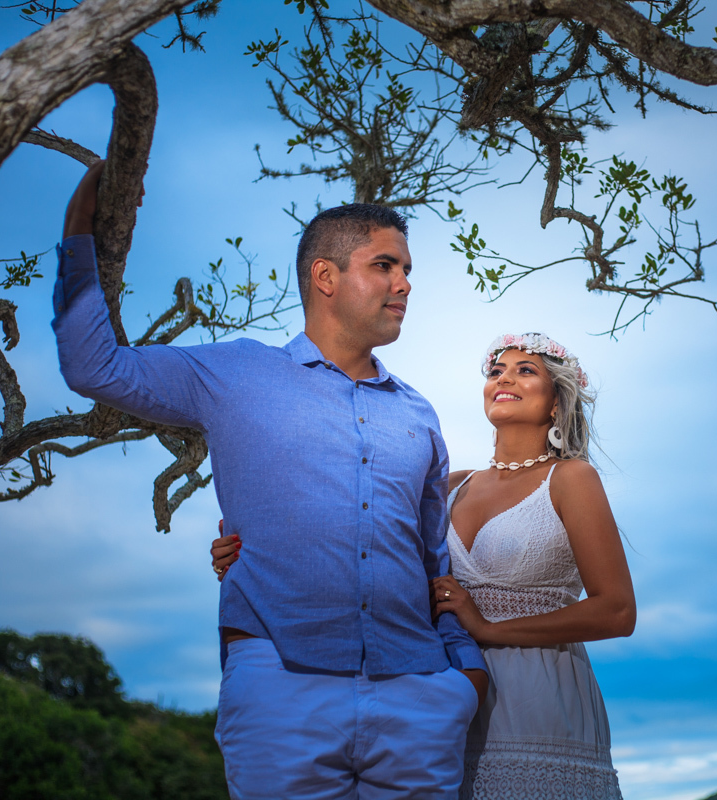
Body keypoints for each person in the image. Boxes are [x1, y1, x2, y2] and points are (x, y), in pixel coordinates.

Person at [53, 161, 487, 800]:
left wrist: (463, 674)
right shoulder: (234, 374)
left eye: (406, 270)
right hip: (282, 688)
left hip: (419, 696)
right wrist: (79, 231)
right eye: (385, 266)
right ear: (325, 277)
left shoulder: (418, 412)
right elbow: (94, 367)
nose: (404, 284)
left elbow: (431, 558)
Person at [213, 332, 636, 800]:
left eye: (525, 370)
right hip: (441, 692)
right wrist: (251, 554)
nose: (504, 378)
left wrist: (488, 628)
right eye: (496, 371)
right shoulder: (450, 485)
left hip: (541, 693)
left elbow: (617, 611)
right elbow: (365, 549)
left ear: (556, 402)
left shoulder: (572, 478)